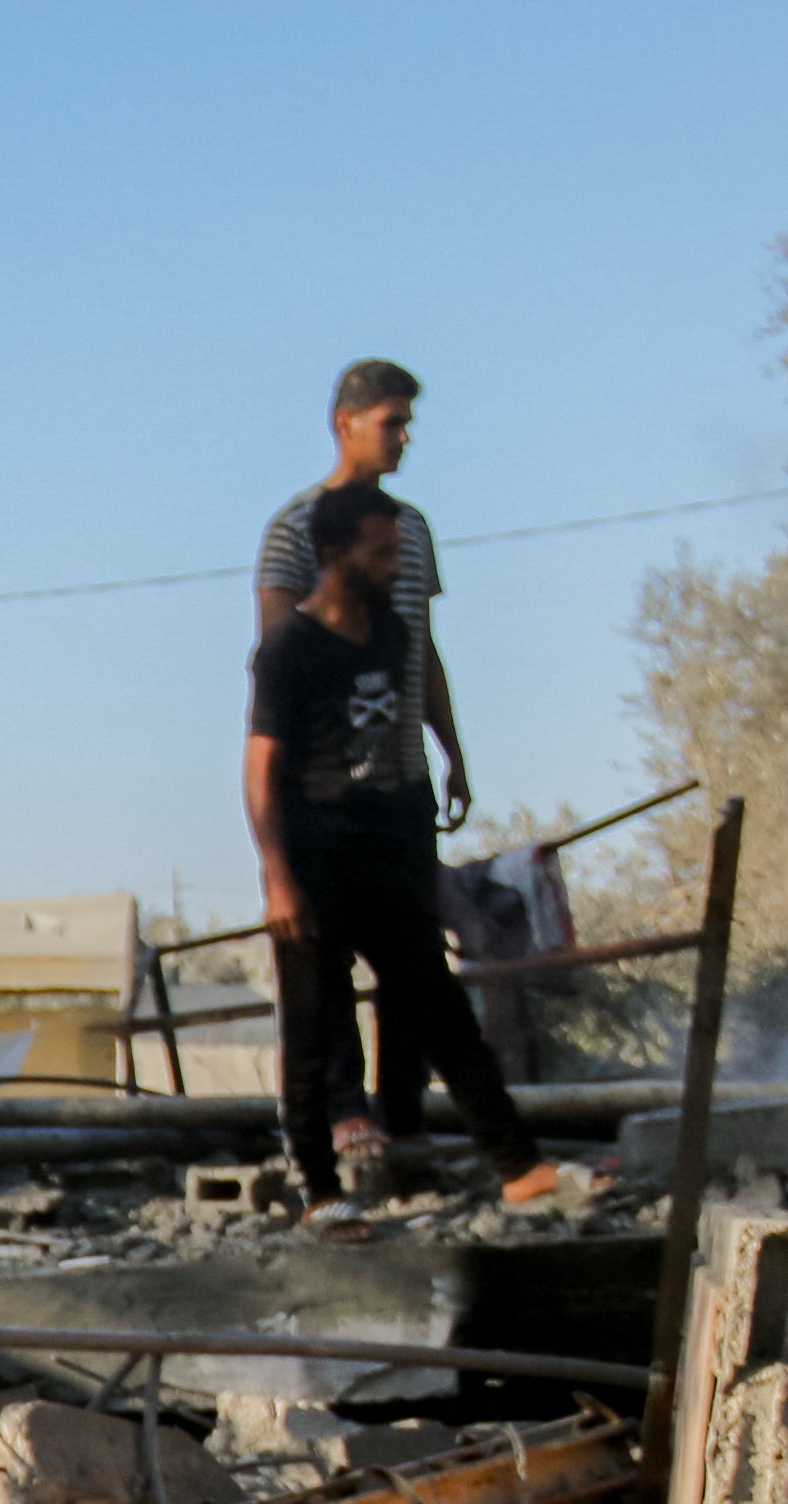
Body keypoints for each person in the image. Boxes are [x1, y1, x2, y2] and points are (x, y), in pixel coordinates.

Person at [250, 487, 563, 1212]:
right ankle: (322, 1191)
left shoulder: (390, 635)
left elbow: (401, 725)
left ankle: (518, 1165)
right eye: (382, 553)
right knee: (312, 1023)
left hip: (384, 844)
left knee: (437, 1003)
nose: (397, 567)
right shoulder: (289, 649)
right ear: (334, 558)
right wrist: (279, 879)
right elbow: (260, 769)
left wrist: (440, 768)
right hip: (314, 851)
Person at [254, 359, 467, 834]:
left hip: (405, 781)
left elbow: (423, 649)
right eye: (391, 423)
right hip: (327, 795)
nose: (404, 439)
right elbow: (278, 668)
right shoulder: (295, 529)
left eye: (407, 424)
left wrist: (453, 753)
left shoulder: (410, 528)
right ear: (346, 423)